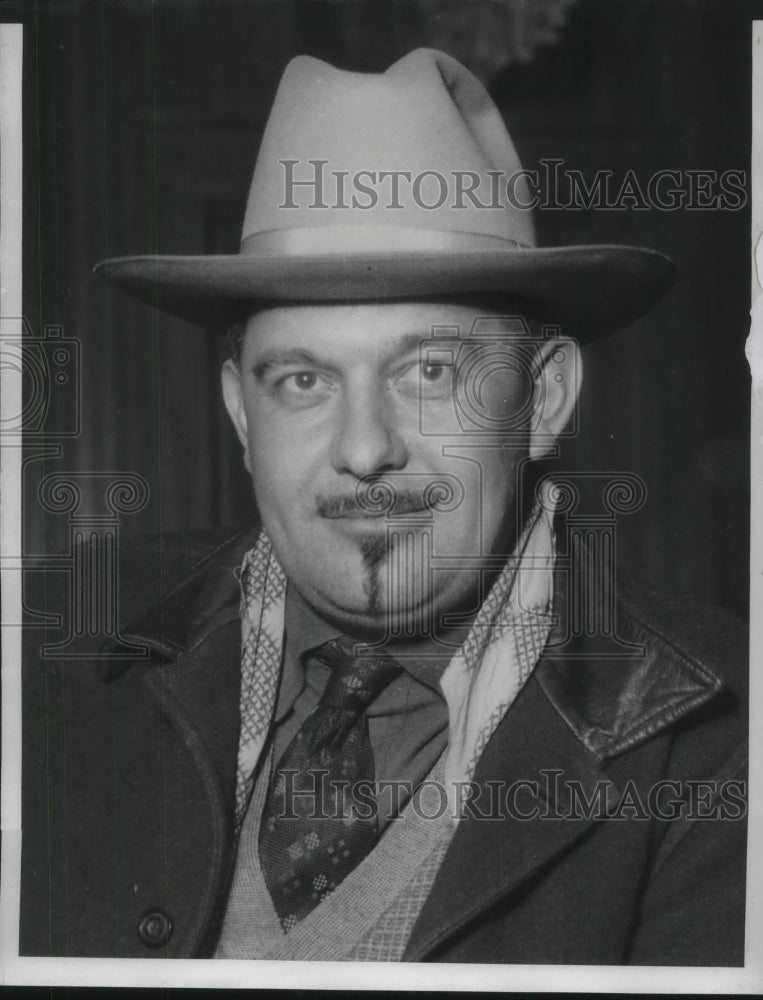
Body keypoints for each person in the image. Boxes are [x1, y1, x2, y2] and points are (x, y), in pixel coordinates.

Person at [20, 48, 747, 964]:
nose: (365, 449)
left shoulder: (720, 738)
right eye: (301, 380)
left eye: (430, 371)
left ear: (545, 399)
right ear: (241, 411)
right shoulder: (38, 655)